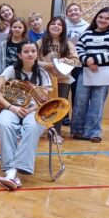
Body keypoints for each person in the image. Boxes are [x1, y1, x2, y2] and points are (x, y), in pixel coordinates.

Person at [0, 41, 52, 190]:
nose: (30, 54)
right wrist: (12, 107)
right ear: (19, 55)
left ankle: (12, 171)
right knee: (5, 123)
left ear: (37, 54)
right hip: (13, 107)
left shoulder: (43, 73)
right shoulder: (11, 70)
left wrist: (30, 110)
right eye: (26, 51)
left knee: (32, 126)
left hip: (34, 110)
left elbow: (45, 99)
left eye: (33, 51)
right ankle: (11, 171)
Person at [72, 7, 109, 143]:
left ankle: (93, 132)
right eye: (101, 17)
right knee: (80, 101)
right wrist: (88, 61)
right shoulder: (87, 33)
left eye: (107, 18)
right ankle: (78, 130)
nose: (103, 20)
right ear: (96, 17)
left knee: (97, 103)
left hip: (105, 73)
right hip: (86, 71)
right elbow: (79, 49)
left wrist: (95, 59)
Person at [37, 16, 79, 144]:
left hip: (62, 80)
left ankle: (56, 133)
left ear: (63, 28)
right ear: (48, 26)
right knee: (43, 106)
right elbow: (33, 59)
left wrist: (64, 60)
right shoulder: (40, 42)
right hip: (45, 80)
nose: (56, 26)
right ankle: (40, 130)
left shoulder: (67, 44)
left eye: (59, 25)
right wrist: (46, 65)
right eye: (53, 24)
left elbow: (76, 61)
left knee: (59, 107)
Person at [63, 3, 90, 126]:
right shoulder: (63, 25)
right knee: (63, 91)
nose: (73, 12)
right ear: (67, 14)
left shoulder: (87, 27)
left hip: (79, 64)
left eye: (76, 10)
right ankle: (63, 117)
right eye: (70, 11)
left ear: (81, 11)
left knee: (77, 93)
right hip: (64, 64)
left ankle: (76, 119)